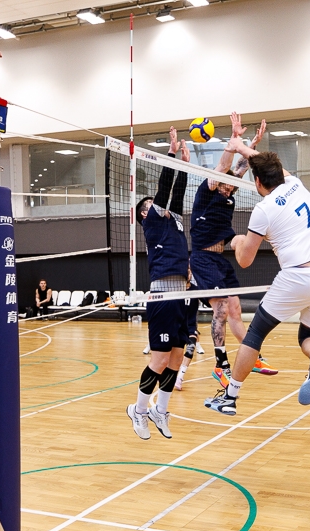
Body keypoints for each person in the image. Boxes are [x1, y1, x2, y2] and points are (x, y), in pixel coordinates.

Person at [205, 141, 310, 416]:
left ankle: (230, 397)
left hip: (299, 275)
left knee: (254, 334)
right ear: (279, 172)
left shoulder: (263, 210)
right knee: (309, 335)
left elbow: (245, 260)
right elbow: (266, 163)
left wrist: (237, 242)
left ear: (257, 182)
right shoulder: (295, 183)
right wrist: (242, 148)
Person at [189, 112, 277, 389]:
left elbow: (241, 167)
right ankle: (220, 364)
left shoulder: (229, 194)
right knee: (222, 308)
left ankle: (254, 356)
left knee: (235, 309)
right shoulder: (209, 190)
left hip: (218, 258)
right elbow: (226, 165)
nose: (234, 183)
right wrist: (233, 139)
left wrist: (252, 144)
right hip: (202, 259)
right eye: (231, 180)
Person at [128, 127, 190, 440]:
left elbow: (177, 194)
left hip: (183, 294)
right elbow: (165, 190)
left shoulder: (174, 219)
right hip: (163, 293)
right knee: (160, 359)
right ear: (145, 212)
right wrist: (171, 153)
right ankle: (138, 410)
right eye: (151, 203)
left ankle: (160, 411)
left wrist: (185, 166)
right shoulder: (152, 222)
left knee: (176, 359)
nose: (158, 204)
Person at [175, 269, 202, 391]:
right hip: (177, 325)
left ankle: (180, 377)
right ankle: (171, 374)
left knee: (191, 348)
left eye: (190, 272)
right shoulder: (176, 290)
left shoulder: (196, 289)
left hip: (190, 326)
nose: (189, 274)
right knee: (175, 354)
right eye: (187, 272)